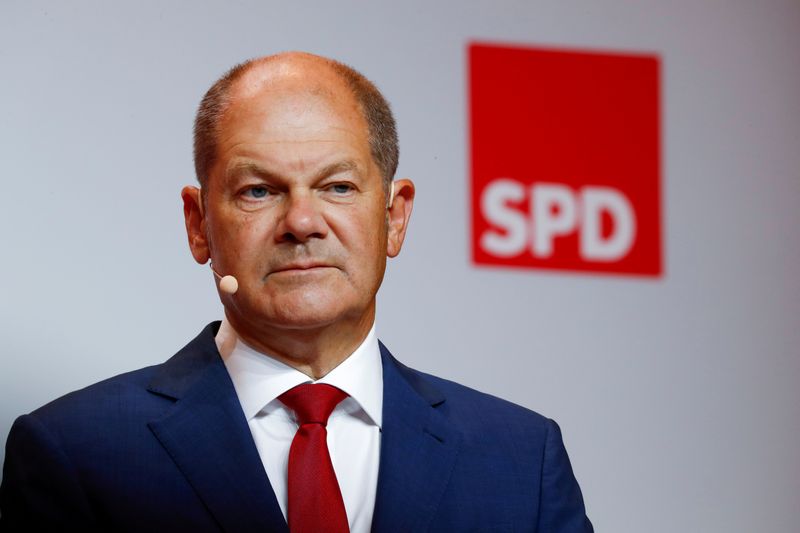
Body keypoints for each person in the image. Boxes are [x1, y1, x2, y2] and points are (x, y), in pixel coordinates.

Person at [0, 52, 593, 532]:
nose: (302, 222)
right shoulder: (77, 451)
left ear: (395, 218)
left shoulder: (519, 459)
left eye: (337, 186)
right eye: (259, 191)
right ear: (198, 224)